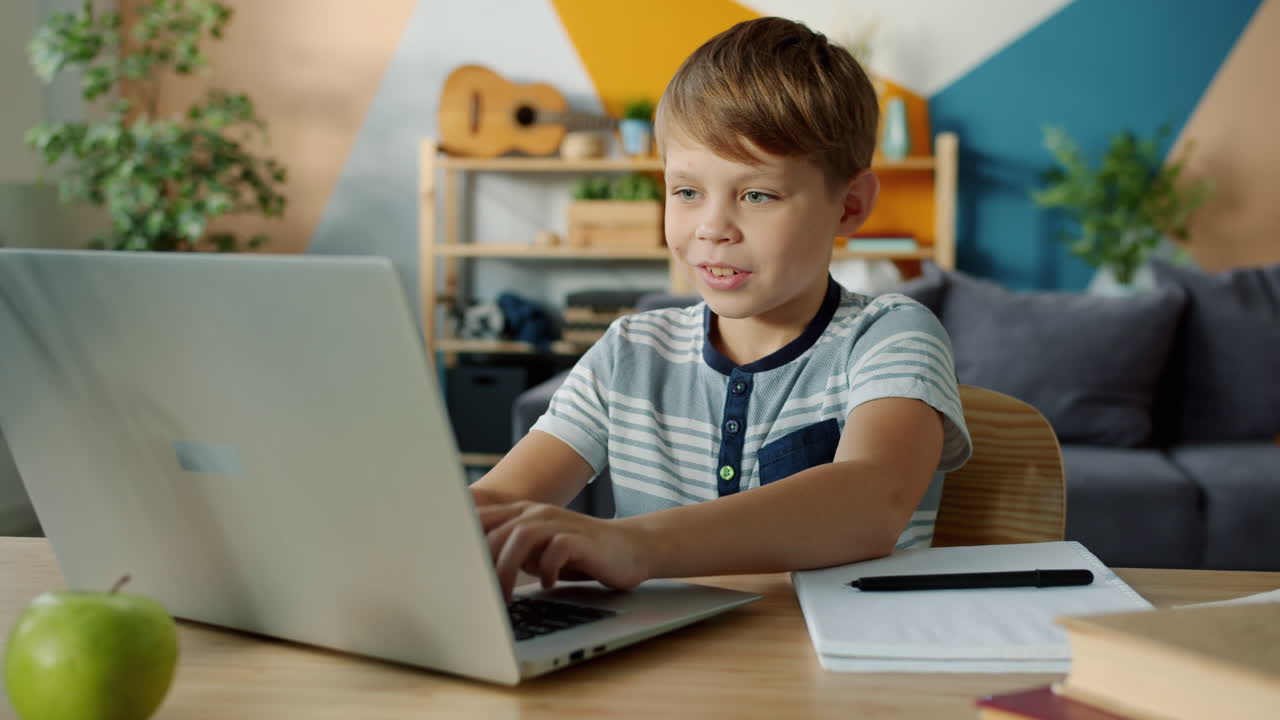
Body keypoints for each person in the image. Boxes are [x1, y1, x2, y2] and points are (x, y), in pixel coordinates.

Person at [470, 17, 972, 601]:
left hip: (842, 674)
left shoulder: (890, 336)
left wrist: (635, 544)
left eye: (757, 194)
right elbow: (503, 499)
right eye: (686, 191)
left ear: (850, 205)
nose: (712, 229)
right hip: (657, 672)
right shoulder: (630, 351)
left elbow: (872, 500)